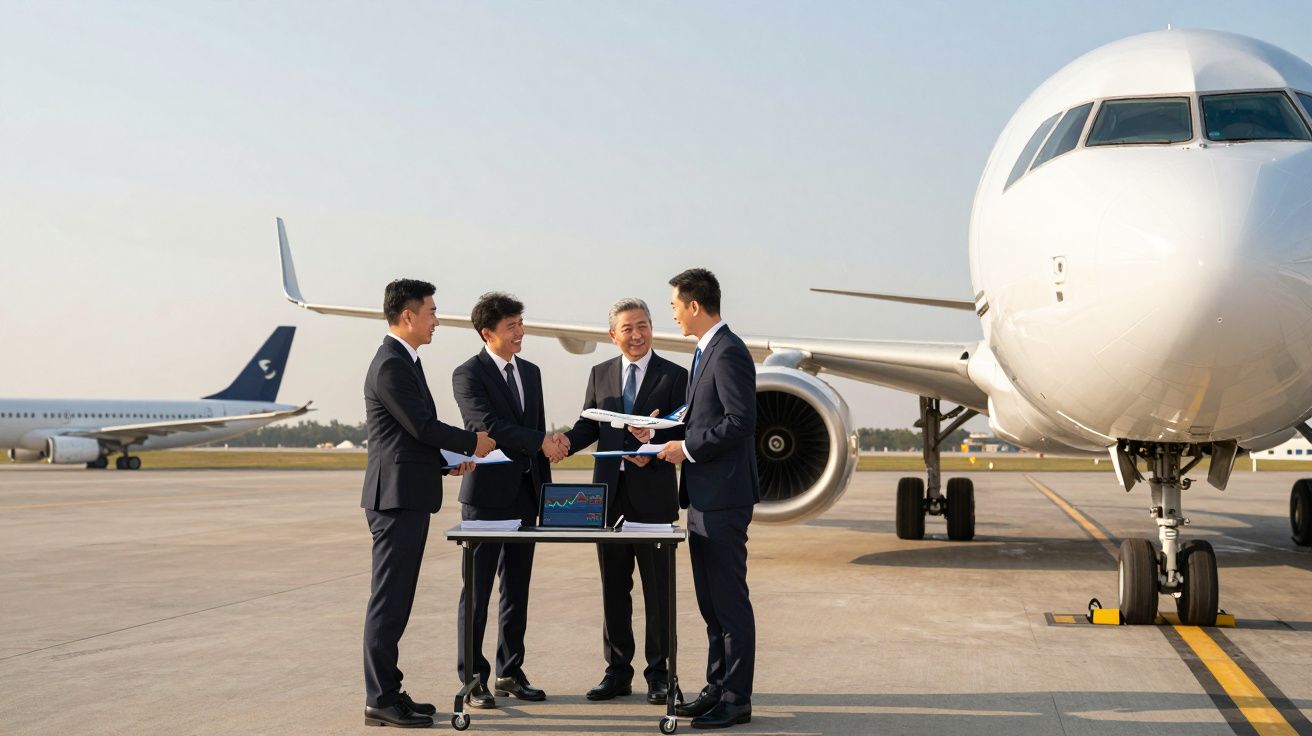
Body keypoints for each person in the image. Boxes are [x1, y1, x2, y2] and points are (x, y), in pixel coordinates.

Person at [361, 279, 496, 729]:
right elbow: (420, 426)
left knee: (398, 600)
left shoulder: (405, 361)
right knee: (389, 602)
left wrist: (446, 463)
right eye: (432, 312)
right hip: (395, 500)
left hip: (408, 494)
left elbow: (409, 438)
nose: (436, 320)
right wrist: (471, 443)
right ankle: (380, 698)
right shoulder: (391, 365)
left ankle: (390, 690)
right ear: (408, 316)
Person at [563, 298, 687, 705]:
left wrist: (656, 443)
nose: (637, 335)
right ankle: (617, 671)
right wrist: (560, 444)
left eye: (643, 326)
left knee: (658, 593)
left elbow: (685, 428)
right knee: (613, 590)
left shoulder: (675, 375)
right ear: (612, 335)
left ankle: (660, 674)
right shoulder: (600, 373)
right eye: (628, 328)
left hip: (653, 497)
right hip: (608, 500)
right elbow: (589, 425)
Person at [452, 291, 570, 708]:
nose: (520, 332)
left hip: (526, 496)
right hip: (486, 499)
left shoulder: (531, 373)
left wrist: (547, 478)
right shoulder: (467, 374)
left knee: (517, 590)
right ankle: (473, 679)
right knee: (478, 592)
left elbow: (536, 430)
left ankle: (510, 671)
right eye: (511, 326)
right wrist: (541, 441)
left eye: (521, 324)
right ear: (487, 333)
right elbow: (487, 425)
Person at [655, 268, 759, 730]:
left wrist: (688, 449)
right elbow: (701, 417)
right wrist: (660, 432)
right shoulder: (705, 351)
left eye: (675, 305)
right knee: (710, 603)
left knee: (729, 602)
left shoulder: (729, 351)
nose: (673, 314)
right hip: (702, 496)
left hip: (723, 497)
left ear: (694, 305)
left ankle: (737, 699)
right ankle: (717, 688)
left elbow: (740, 421)